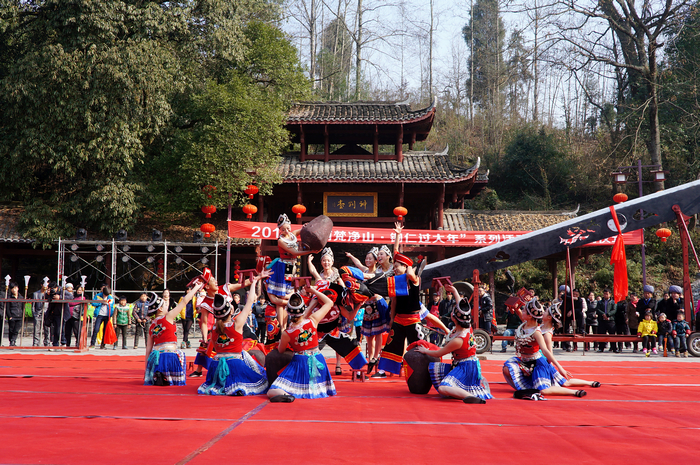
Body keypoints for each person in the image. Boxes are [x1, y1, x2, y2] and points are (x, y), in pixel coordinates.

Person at [502, 298, 599, 399]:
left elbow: (547, 351)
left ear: (549, 317)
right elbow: (521, 316)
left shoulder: (539, 332)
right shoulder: (527, 324)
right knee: (507, 368)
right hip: (527, 360)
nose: (543, 312)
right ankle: (589, 383)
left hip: (538, 362)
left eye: (524, 310)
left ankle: (575, 392)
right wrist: (515, 307)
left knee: (554, 386)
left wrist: (558, 367)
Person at [189, 267, 271, 378]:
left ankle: (256, 367)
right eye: (213, 280)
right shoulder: (205, 303)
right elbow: (203, 322)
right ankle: (199, 370)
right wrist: (204, 337)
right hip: (222, 326)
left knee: (253, 341)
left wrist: (258, 277)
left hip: (237, 323)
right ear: (207, 286)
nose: (216, 282)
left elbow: (244, 284)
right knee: (205, 343)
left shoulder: (225, 288)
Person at [418, 285, 492, 404]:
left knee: (443, 388)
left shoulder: (459, 339)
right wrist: (455, 291)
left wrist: (425, 350)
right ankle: (461, 391)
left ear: (454, 317)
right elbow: (462, 306)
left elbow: (439, 353)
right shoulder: (467, 328)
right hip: (463, 364)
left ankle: (470, 396)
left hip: (466, 368)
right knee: (434, 368)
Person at [266, 287, 336, 402]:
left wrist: (281, 342)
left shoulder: (287, 333)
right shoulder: (313, 320)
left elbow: (281, 350)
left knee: (271, 391)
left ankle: (286, 394)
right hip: (318, 360)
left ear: (288, 312)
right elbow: (329, 302)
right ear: (303, 309)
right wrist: (313, 291)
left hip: (300, 363)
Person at [144, 282, 204, 386]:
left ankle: (159, 372)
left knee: (155, 354)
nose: (168, 305)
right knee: (179, 354)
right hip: (169, 355)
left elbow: (148, 350)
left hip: (157, 357)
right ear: (160, 309)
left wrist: (147, 372)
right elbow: (185, 301)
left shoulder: (152, 326)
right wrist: (196, 288)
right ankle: (169, 374)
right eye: (165, 304)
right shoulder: (168, 317)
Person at [376, 253, 422, 376]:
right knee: (391, 345)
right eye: (394, 267)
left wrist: (409, 267)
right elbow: (394, 301)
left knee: (417, 346)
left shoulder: (414, 279)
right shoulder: (396, 282)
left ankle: (420, 370)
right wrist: (392, 318)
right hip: (399, 319)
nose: (394, 269)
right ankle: (383, 371)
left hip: (413, 319)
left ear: (405, 267)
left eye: (397, 267)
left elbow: (410, 274)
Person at [3, 282, 23, 346]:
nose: (14, 290)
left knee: (16, 330)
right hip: (12, 315)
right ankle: (11, 341)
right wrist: (9, 316)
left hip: (19, 316)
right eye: (12, 288)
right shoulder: (9, 298)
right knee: (11, 329)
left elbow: (23, 307)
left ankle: (13, 341)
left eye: (15, 288)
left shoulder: (21, 297)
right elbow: (7, 308)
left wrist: (22, 315)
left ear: (17, 288)